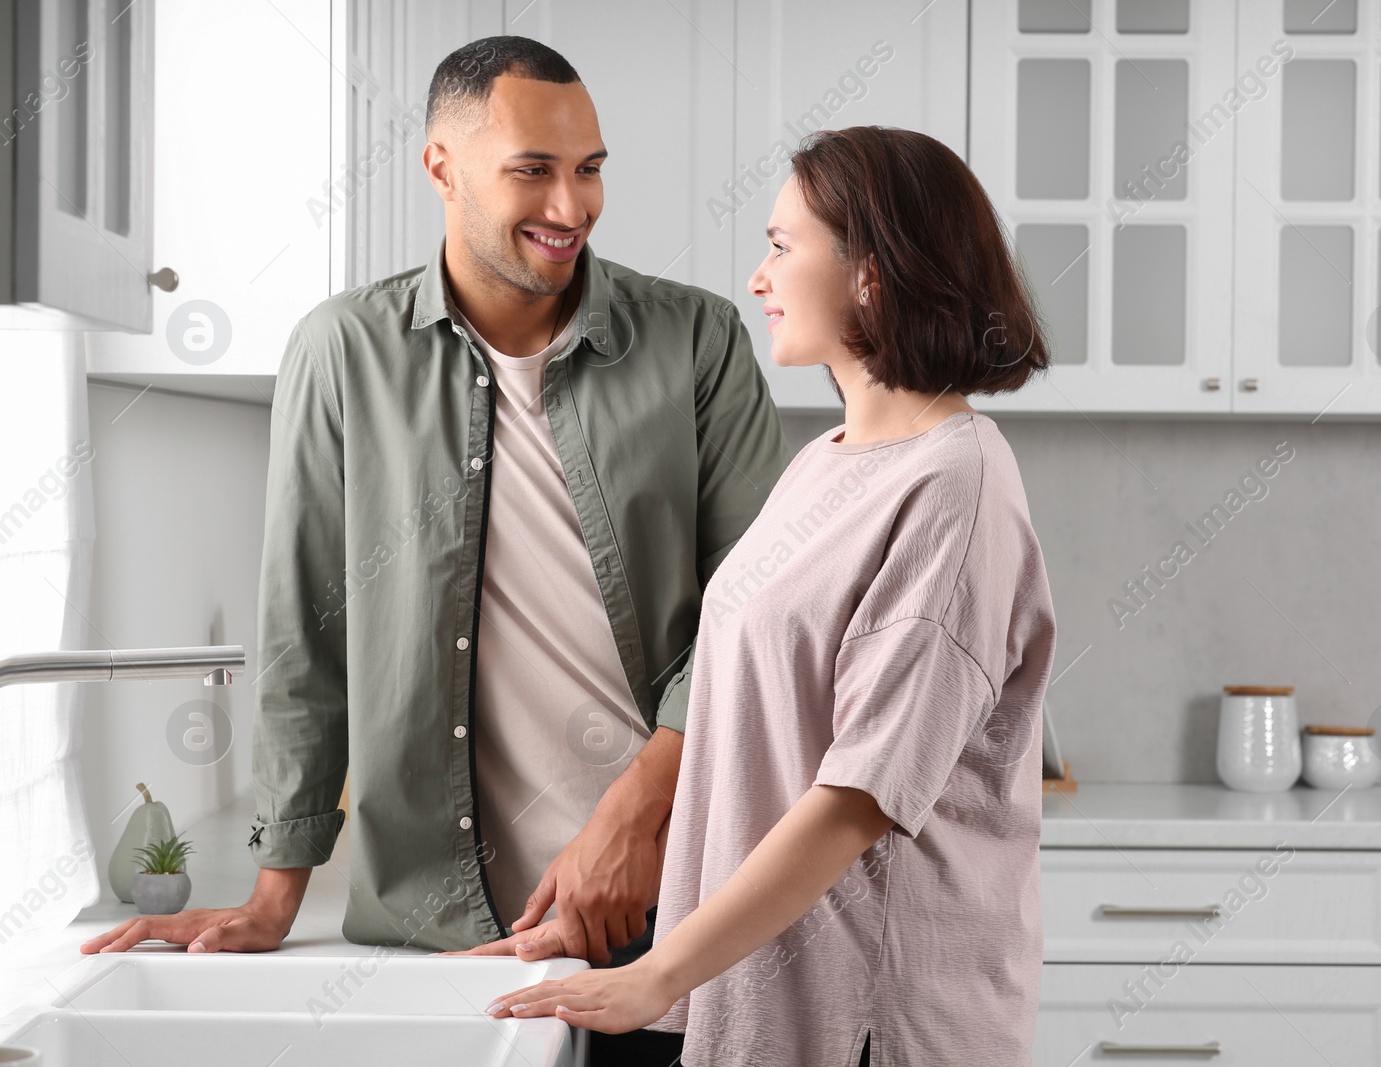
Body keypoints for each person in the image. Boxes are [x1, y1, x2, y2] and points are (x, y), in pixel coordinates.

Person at [80, 35, 788, 1065]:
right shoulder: (342, 351)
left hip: (673, 911)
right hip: (443, 943)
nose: (572, 206)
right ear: (441, 168)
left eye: (589, 169)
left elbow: (757, 609)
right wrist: (275, 896)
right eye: (533, 170)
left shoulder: (697, 340)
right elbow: (304, 632)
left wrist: (636, 816)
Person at [483, 125, 1058, 1067]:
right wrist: (615, 936)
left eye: (783, 247)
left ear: (872, 272)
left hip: (870, 1016)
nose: (758, 277)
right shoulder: (823, 464)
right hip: (762, 995)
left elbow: (858, 798)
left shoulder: (957, 482)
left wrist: (658, 971)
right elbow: (749, 752)